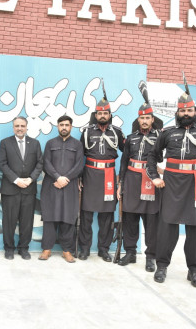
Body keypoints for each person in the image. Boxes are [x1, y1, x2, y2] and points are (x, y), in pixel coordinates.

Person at [147, 79, 196, 288]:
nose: (186, 114)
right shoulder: (167, 133)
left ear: (195, 111)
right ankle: (162, 266)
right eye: (182, 111)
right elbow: (152, 157)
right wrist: (155, 177)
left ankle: (194, 271)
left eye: (189, 110)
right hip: (172, 184)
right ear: (177, 113)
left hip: (195, 186)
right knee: (167, 228)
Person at [117, 81, 163, 271]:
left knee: (151, 221)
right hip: (131, 181)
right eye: (141, 118)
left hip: (151, 181)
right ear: (138, 119)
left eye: (148, 118)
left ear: (152, 119)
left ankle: (150, 256)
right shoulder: (131, 138)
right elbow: (124, 162)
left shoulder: (161, 137)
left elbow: (164, 159)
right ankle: (130, 252)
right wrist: (121, 184)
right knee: (130, 218)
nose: (144, 121)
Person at [78, 89, 124, 262]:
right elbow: (79, 156)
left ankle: (104, 249)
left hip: (109, 176)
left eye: (105, 113)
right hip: (90, 175)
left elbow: (127, 154)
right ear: (95, 115)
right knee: (86, 215)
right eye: (99, 113)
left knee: (106, 216)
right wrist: (79, 177)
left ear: (110, 114)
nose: (102, 115)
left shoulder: (117, 132)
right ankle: (84, 249)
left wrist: (123, 178)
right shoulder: (87, 131)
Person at [39, 115, 84, 263]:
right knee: (50, 217)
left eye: (67, 125)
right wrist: (57, 177)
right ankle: (47, 249)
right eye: (61, 125)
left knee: (67, 218)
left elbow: (79, 165)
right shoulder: (50, 143)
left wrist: (66, 179)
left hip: (69, 186)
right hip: (51, 185)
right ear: (57, 126)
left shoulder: (77, 145)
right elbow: (46, 163)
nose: (64, 127)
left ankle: (67, 251)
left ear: (71, 127)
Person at [0, 116, 43, 260]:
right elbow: (2, 164)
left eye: (22, 126)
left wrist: (30, 179)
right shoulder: (5, 143)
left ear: (26, 127)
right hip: (10, 189)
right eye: (17, 126)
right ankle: (9, 249)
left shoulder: (35, 144)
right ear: (13, 127)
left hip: (29, 189)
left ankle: (24, 248)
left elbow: (40, 164)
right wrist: (16, 180)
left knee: (26, 221)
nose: (19, 128)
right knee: (9, 221)